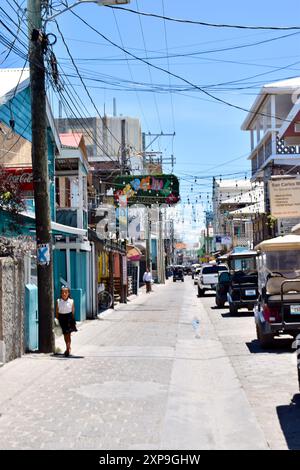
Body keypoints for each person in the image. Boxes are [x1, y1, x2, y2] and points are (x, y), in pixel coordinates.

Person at [56, 286, 77, 357]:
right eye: (63, 292)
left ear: (68, 293)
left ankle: (68, 349)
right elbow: (57, 312)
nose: (64, 294)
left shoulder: (71, 301)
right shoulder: (58, 301)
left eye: (66, 292)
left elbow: (73, 311)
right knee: (65, 335)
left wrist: (73, 320)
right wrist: (57, 320)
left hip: (69, 318)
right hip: (62, 319)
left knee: (68, 334)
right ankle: (68, 346)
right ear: (61, 294)